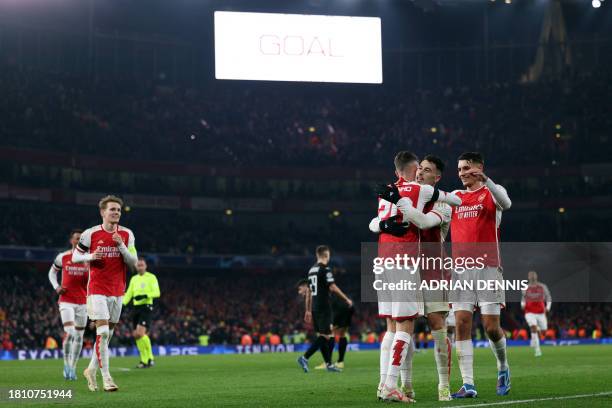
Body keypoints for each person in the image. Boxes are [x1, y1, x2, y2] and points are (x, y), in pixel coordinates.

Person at [370, 151, 461, 402]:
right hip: (406, 266)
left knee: (436, 327)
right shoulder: (410, 193)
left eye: (427, 170)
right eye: (419, 168)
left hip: (432, 269)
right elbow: (376, 220)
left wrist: (398, 201)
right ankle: (404, 385)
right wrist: (382, 224)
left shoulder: (441, 204)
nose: (421, 172)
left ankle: (443, 385)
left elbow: (421, 221)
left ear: (438, 177)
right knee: (399, 325)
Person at [448, 152, 512, 398]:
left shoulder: (491, 192)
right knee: (462, 323)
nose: (462, 173)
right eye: (459, 169)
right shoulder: (455, 197)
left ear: (479, 167)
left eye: (466, 168)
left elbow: (506, 204)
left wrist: (487, 180)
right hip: (461, 271)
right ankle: (468, 383)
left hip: (488, 268)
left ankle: (503, 367)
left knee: (491, 328)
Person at [73, 195, 138, 392]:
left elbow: (133, 261)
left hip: (118, 290)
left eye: (118, 209)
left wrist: (120, 246)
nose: (116, 212)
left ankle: (91, 369)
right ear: (103, 212)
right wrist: (92, 256)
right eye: (112, 209)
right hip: (97, 290)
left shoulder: (127, 234)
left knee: (107, 335)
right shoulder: (90, 234)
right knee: (101, 332)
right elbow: (76, 255)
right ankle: (107, 378)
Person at [297, 245, 352, 373]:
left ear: (317, 255)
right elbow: (332, 287)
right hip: (324, 306)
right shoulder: (325, 269)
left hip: (315, 307)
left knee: (325, 334)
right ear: (327, 255)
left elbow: (309, 292)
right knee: (326, 336)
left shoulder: (311, 270)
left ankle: (328, 364)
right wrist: (346, 299)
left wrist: (308, 310)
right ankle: (305, 357)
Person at [48, 229, 89, 381]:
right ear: (72, 240)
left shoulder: (88, 259)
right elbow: (52, 273)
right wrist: (56, 287)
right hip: (67, 301)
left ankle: (73, 366)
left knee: (79, 337)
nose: (79, 241)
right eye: (77, 238)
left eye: (82, 239)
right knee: (70, 332)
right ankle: (66, 364)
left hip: (83, 303)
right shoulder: (63, 257)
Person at [123, 258, 160, 368]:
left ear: (146, 266)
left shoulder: (151, 277)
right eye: (138, 265)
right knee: (136, 335)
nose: (140, 267)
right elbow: (129, 293)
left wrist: (145, 296)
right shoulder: (134, 279)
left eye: (142, 265)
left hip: (146, 307)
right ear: (136, 267)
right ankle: (146, 360)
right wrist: (122, 304)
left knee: (140, 333)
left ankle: (148, 359)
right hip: (136, 308)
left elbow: (157, 292)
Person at [521, 271, 552, 357]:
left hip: (541, 312)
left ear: (536, 276)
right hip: (529, 312)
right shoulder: (525, 287)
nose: (532, 276)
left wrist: (548, 307)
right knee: (533, 328)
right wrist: (522, 305)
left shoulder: (542, 286)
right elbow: (523, 298)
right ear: (528, 277)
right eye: (530, 275)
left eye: (533, 275)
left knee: (544, 332)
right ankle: (537, 350)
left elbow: (548, 297)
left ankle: (537, 331)